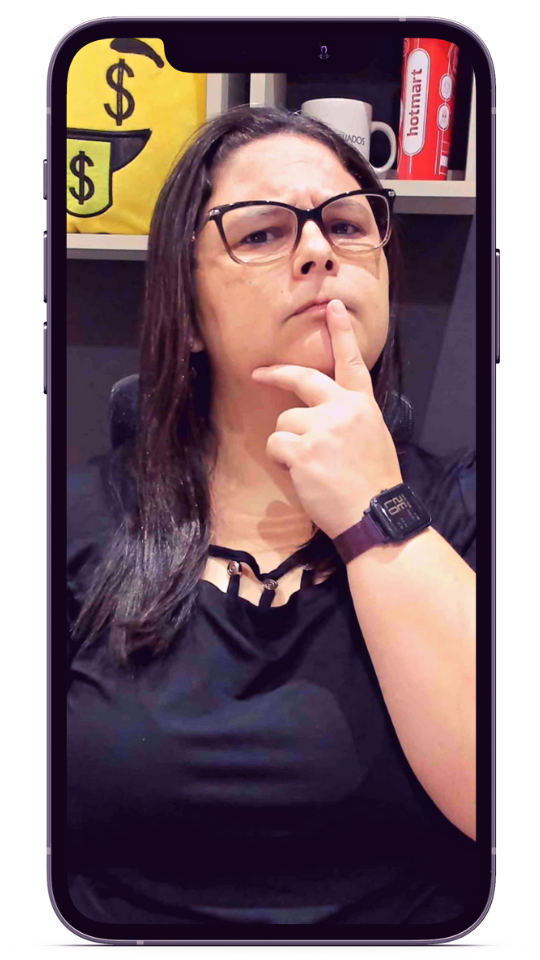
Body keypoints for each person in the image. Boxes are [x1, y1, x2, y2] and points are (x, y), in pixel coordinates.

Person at [66, 105, 479, 927]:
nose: (320, 249)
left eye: (348, 224)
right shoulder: (73, 521)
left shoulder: (468, 508)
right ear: (187, 312)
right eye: (261, 232)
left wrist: (374, 510)